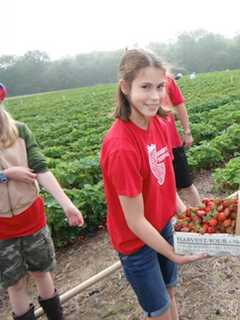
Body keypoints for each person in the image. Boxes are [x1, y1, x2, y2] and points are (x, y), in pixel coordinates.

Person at [100, 49, 206, 320]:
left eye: (160, 86)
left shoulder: (159, 123)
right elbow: (135, 221)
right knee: (158, 311)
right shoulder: (121, 146)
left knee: (169, 293)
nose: (155, 96)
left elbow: (167, 185)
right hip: (136, 242)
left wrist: (191, 219)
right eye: (145, 87)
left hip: (161, 226)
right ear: (125, 87)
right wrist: (174, 253)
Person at [0, 85, 84, 320]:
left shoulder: (19, 132)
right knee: (14, 284)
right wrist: (7, 174)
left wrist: (67, 204)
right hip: (1, 227)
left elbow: (40, 168)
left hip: (30, 215)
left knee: (41, 272)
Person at [161, 74, 202, 207]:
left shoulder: (166, 78)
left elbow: (179, 104)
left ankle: (201, 218)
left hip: (172, 142)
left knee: (186, 184)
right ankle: (178, 224)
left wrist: (187, 131)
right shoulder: (133, 83)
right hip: (152, 148)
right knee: (166, 190)